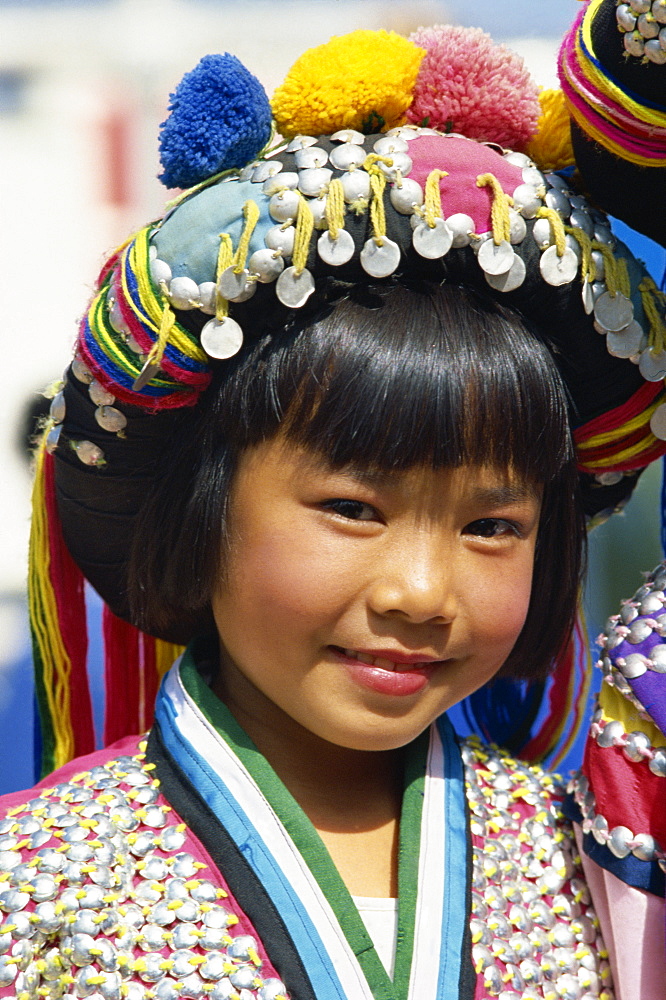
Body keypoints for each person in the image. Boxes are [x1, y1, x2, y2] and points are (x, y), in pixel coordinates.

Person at [4, 2, 666, 998]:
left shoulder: (598, 870)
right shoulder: (35, 882)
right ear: (202, 510)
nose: (419, 589)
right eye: (355, 508)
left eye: (493, 526)